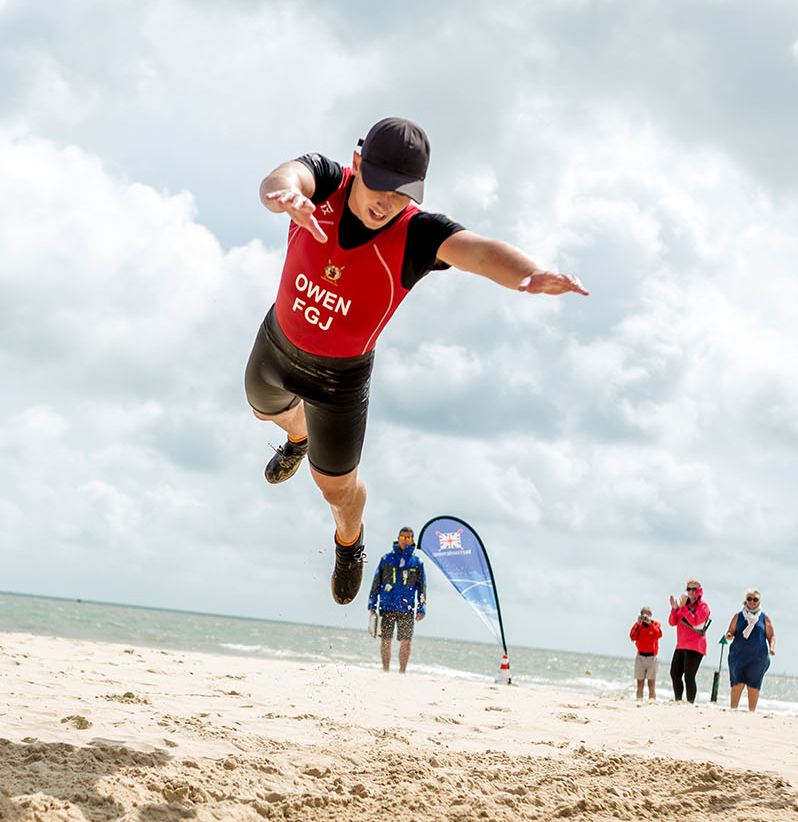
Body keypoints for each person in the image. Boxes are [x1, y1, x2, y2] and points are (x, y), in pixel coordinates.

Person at [244, 118, 588, 604]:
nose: (386, 202)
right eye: (379, 185)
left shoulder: (416, 234)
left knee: (334, 490)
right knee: (262, 407)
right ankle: (297, 436)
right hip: (278, 344)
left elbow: (482, 254)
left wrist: (529, 275)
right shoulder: (324, 181)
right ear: (358, 163)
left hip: (340, 380)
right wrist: (284, 195)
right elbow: (282, 178)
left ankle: (350, 541)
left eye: (401, 193)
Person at [367, 527, 426, 673]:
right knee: (386, 640)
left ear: (412, 541)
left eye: (408, 538)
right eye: (403, 537)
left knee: (406, 641)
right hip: (387, 605)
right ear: (398, 538)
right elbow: (376, 581)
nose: (405, 541)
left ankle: (402, 672)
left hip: (407, 607)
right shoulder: (386, 558)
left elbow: (422, 587)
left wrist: (421, 608)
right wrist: (372, 603)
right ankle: (385, 670)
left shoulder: (417, 562)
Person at [724, 588, 775, 711]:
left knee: (753, 686)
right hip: (738, 656)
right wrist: (729, 636)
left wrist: (772, 648)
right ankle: (733, 711)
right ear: (745, 600)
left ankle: (751, 713)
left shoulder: (764, 618)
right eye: (749, 599)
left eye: (755, 599)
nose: (752, 602)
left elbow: (771, 636)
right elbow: (730, 632)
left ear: (759, 601)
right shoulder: (738, 616)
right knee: (737, 683)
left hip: (758, 658)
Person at [667, 579, 711, 703]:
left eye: (694, 589)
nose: (691, 592)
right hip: (681, 645)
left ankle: (690, 702)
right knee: (674, 674)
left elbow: (695, 621)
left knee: (689, 677)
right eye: (689, 589)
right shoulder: (683, 606)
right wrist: (675, 609)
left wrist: (683, 608)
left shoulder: (703, 607)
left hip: (696, 646)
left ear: (699, 591)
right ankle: (678, 701)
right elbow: (672, 622)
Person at [629, 606, 662, 700]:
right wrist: (639, 624)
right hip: (640, 656)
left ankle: (652, 701)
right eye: (644, 614)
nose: (645, 616)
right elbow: (632, 637)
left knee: (651, 684)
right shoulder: (638, 625)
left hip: (652, 657)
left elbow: (658, 634)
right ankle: (639, 700)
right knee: (640, 684)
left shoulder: (656, 624)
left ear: (651, 615)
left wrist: (650, 623)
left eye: (647, 614)